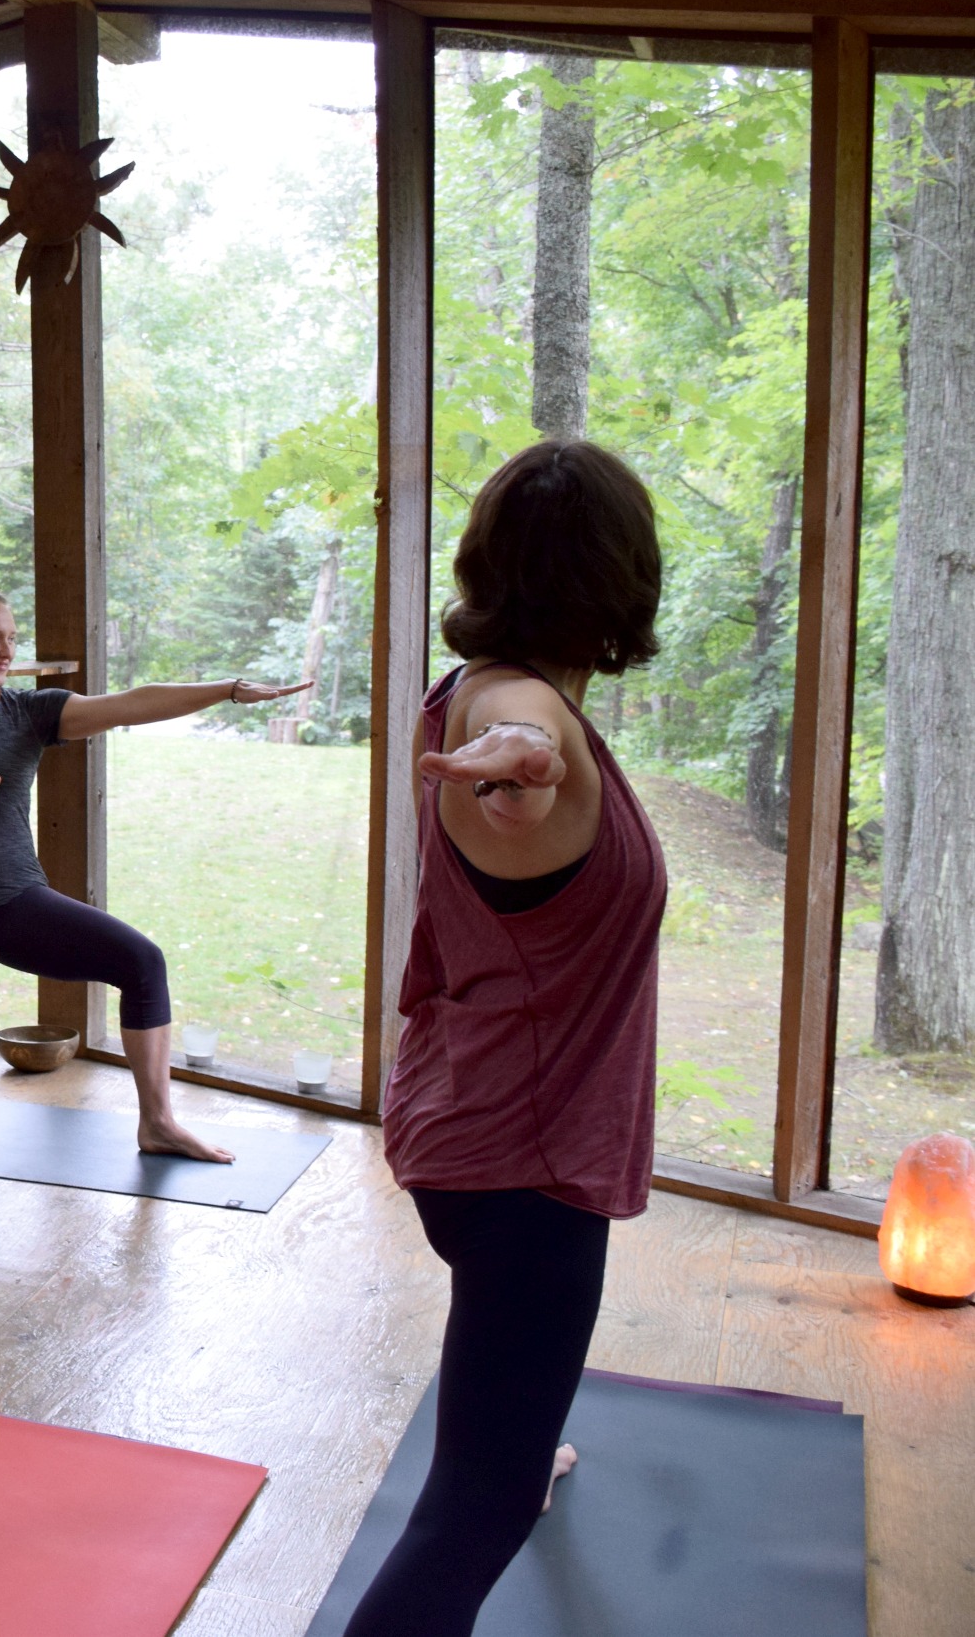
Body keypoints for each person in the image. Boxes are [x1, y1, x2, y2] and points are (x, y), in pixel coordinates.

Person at [343, 440, 666, 1637]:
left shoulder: (471, 687)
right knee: (473, 1507)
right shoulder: (515, 715)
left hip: (470, 1120)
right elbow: (517, 729)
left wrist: (516, 748)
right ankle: (509, 1445)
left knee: (505, 1416)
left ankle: (521, 1427)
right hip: (521, 1165)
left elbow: (510, 715)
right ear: (623, 578)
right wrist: (518, 764)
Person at [0, 562, 309, 1162]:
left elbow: (130, 704)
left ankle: (158, 1124)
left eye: (12, 638)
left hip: (10, 903)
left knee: (142, 962)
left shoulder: (32, 711)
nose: (7, 649)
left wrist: (226, 689)